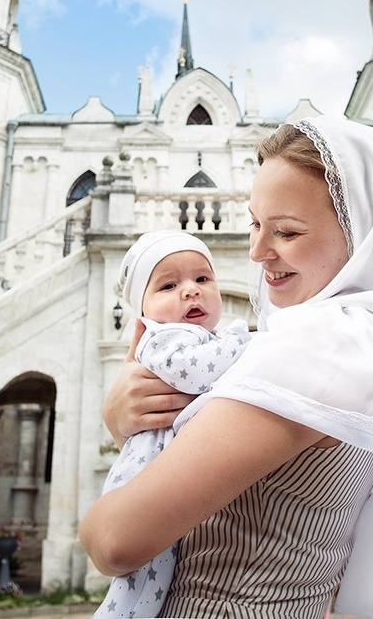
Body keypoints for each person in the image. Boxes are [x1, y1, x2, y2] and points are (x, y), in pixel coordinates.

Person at [80, 116, 373, 619]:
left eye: (286, 231)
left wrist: (117, 432)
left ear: (363, 230)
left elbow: (115, 542)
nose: (258, 252)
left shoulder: (319, 349)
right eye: (256, 224)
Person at [94, 230, 252, 618]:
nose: (191, 291)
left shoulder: (199, 336)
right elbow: (198, 373)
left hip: (164, 467)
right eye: (169, 284)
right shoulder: (163, 339)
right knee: (145, 579)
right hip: (143, 474)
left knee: (156, 578)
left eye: (202, 279)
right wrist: (248, 342)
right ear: (142, 311)